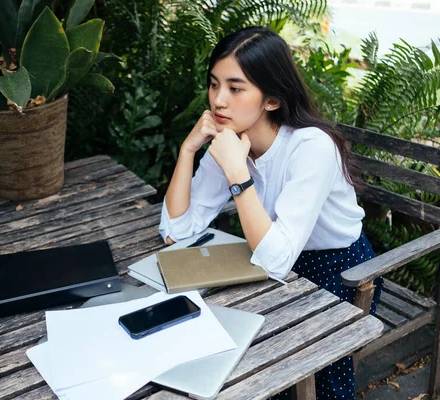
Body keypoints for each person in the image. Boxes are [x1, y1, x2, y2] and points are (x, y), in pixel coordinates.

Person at [158, 26, 382, 399]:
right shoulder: (229, 143)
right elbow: (175, 232)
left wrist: (237, 173)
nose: (219, 101)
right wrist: (187, 150)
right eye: (214, 85)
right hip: (265, 264)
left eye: (236, 88)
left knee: (289, 367)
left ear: (272, 100)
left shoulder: (311, 147)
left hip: (341, 274)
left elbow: (278, 259)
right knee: (209, 349)